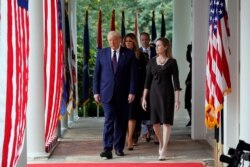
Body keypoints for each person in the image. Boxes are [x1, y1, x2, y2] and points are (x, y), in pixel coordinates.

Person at [93, 31, 137, 159]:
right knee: (109, 120)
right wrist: (96, 91)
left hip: (123, 94)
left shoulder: (128, 54)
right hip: (106, 94)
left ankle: (118, 148)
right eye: (110, 40)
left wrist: (132, 91)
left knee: (121, 122)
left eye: (115, 40)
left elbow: (133, 76)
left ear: (120, 40)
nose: (112, 42)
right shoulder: (102, 53)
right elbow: (96, 74)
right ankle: (107, 149)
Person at [141, 37, 181, 161]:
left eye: (159, 45)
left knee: (167, 122)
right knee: (155, 123)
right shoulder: (151, 62)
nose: (157, 48)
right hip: (154, 95)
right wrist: (144, 98)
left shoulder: (172, 62)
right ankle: (161, 142)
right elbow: (147, 82)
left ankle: (164, 149)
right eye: (156, 46)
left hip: (168, 95)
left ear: (166, 47)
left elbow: (176, 82)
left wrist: (177, 100)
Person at [123, 33, 147, 150]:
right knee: (124, 115)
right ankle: (127, 137)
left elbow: (143, 76)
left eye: (130, 41)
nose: (128, 43)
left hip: (135, 89)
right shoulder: (121, 55)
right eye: (126, 41)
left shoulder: (140, 56)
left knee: (133, 115)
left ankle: (130, 138)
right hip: (122, 89)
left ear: (134, 42)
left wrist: (143, 92)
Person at [139, 32, 158, 144]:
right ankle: (145, 130)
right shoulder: (137, 52)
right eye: (142, 39)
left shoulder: (156, 51)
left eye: (146, 39)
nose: (145, 41)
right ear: (140, 40)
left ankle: (154, 131)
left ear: (149, 39)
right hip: (142, 83)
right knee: (144, 108)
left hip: (155, 83)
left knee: (153, 107)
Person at [185, 44, 192, 127]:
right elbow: (188, 58)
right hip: (190, 81)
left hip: (192, 81)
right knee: (187, 102)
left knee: (188, 101)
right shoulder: (192, 61)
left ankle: (193, 119)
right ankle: (191, 118)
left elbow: (189, 58)